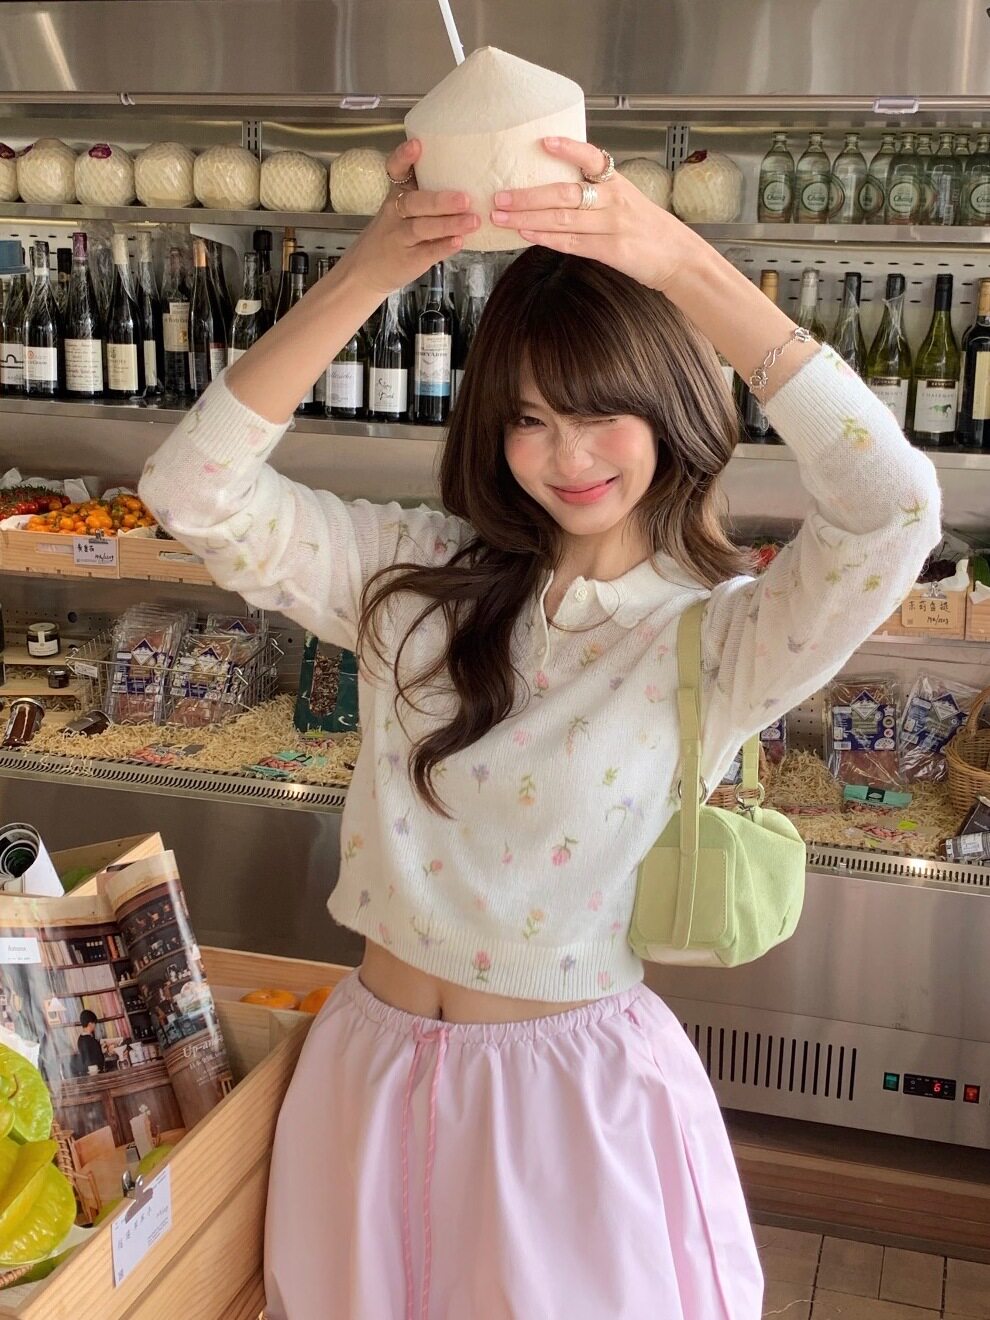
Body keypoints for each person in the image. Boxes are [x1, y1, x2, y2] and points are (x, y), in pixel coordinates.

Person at [138, 136, 941, 1319]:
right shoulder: (411, 576)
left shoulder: (718, 637)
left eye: (603, 412)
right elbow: (190, 490)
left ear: (670, 407)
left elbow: (895, 510)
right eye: (529, 418)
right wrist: (368, 270)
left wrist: (681, 265)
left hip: (567, 1105)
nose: (567, 457)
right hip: (365, 1073)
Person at [76, 1009, 104, 1073]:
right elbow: (97, 1058)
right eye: (94, 1023)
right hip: (95, 1071)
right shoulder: (90, 1040)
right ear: (90, 1024)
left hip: (88, 1070)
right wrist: (102, 1050)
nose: (95, 1025)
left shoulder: (80, 1039)